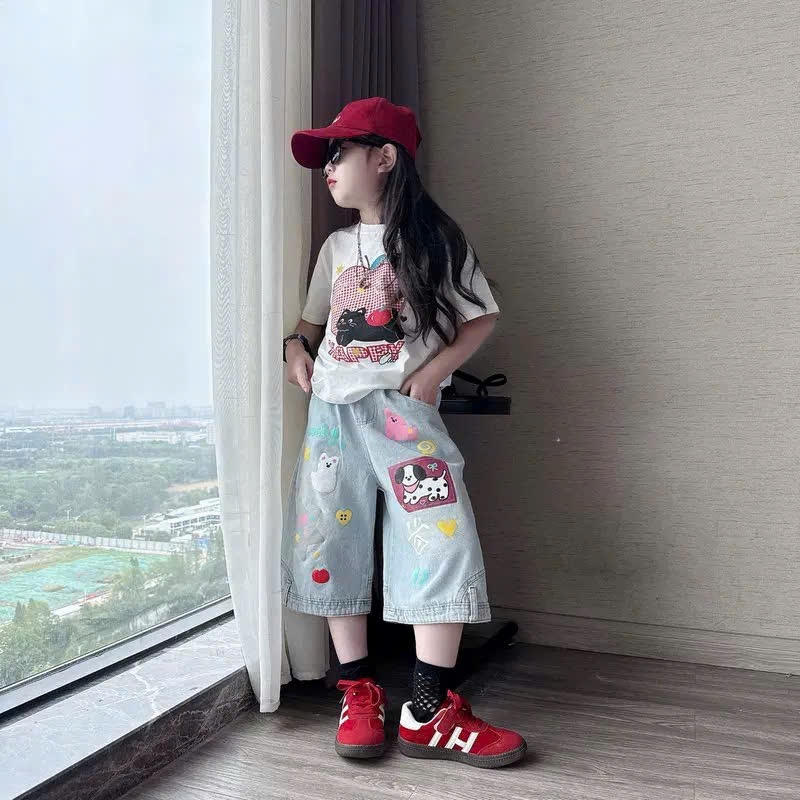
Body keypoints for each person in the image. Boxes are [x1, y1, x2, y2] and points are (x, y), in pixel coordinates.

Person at [281, 97, 526, 769]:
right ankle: (358, 690)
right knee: (329, 539)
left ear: (385, 157)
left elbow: (481, 315)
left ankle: (427, 709)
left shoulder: (434, 239)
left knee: (440, 537)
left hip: (401, 415)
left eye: (340, 153)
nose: (328, 167)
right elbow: (309, 324)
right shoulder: (335, 248)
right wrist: (294, 351)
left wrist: (433, 372)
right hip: (333, 416)